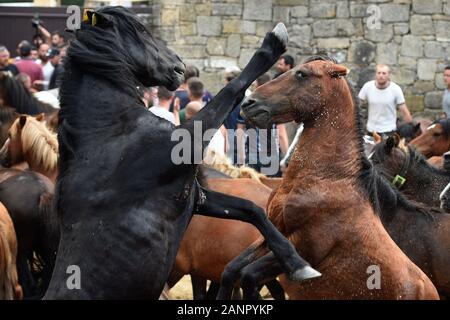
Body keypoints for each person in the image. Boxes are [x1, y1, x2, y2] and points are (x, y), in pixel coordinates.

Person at [358, 64, 412, 137]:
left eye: (384, 73)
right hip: (371, 131)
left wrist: (412, 129)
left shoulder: (396, 89)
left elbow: (404, 111)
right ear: (375, 74)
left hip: (389, 131)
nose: (381, 75)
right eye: (379, 73)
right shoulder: (367, 87)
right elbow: (357, 106)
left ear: (388, 75)